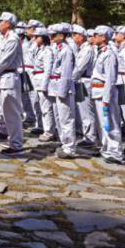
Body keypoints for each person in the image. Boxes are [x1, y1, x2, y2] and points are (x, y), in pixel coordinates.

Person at [0, 12, 25, 154]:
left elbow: (5, 61)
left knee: (12, 113)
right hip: (2, 77)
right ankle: (13, 141)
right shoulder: (3, 38)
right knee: (6, 112)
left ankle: (16, 144)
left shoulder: (12, 39)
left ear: (8, 24)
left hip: (9, 77)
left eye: (2, 21)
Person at [44, 23, 77, 158]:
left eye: (53, 35)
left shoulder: (66, 50)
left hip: (63, 87)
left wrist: (62, 92)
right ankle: (64, 143)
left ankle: (70, 147)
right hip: (55, 86)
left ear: (61, 36)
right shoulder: (58, 48)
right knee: (59, 118)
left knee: (66, 118)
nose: (50, 37)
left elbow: (66, 73)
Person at [90, 25, 122, 164]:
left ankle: (115, 153)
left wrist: (107, 98)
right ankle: (106, 149)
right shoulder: (100, 51)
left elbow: (110, 78)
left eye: (96, 35)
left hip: (104, 92)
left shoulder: (109, 53)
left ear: (103, 37)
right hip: (97, 91)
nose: (93, 37)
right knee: (103, 124)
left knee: (111, 123)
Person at [73, 25, 98, 147]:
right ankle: (87, 135)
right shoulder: (82, 48)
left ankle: (90, 138)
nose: (73, 37)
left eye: (75, 35)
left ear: (82, 36)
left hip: (85, 81)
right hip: (81, 80)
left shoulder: (87, 49)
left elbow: (79, 68)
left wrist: (70, 80)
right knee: (82, 111)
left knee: (87, 111)